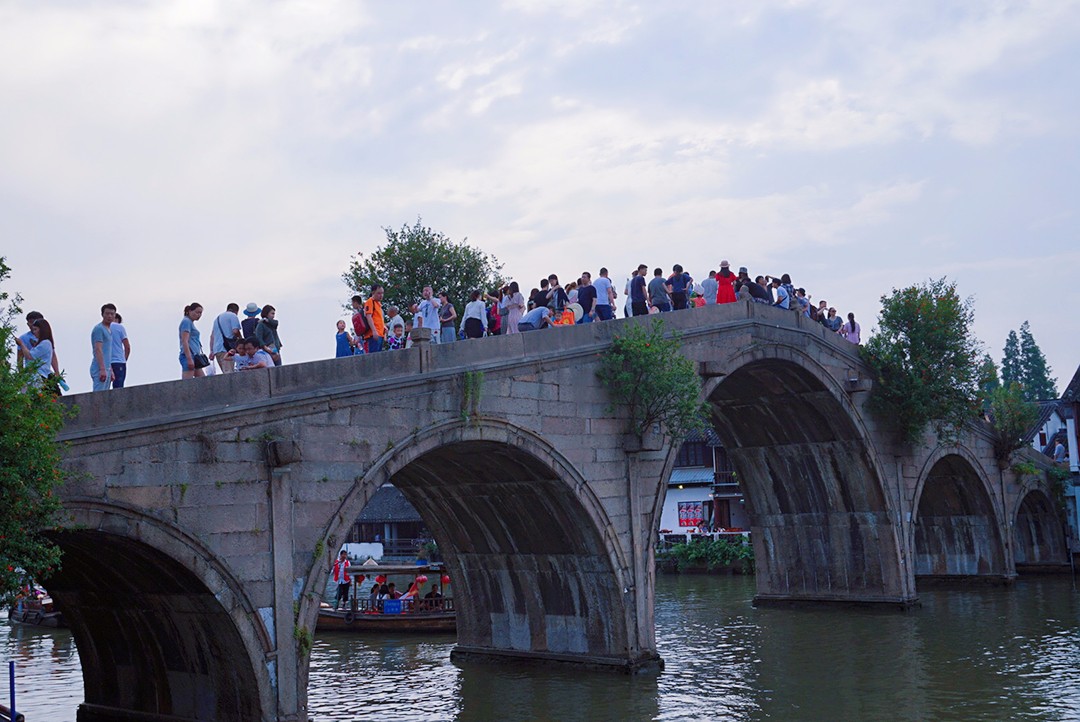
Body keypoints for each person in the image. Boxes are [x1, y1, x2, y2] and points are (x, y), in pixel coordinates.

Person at [14, 318, 55, 388]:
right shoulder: (41, 343)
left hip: (39, 377)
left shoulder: (45, 343)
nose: (34, 332)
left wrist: (22, 344)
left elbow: (30, 356)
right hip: (31, 377)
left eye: (35, 329)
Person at [90, 303, 116, 391]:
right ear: (102, 314)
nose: (109, 316)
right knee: (98, 396)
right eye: (107, 313)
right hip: (99, 367)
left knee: (105, 397)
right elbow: (98, 349)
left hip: (107, 368)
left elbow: (107, 351)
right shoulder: (99, 329)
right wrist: (102, 369)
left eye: (112, 314)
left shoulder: (109, 330)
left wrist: (111, 370)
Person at [211, 303, 243, 374]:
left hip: (217, 350)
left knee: (225, 372)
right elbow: (235, 331)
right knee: (229, 373)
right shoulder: (233, 316)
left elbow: (212, 336)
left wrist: (211, 351)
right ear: (236, 311)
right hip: (227, 349)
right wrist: (241, 339)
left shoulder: (217, 319)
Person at [179, 302, 205, 380]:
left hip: (195, 356)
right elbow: (185, 341)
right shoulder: (186, 322)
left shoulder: (190, 323)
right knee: (187, 383)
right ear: (190, 311)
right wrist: (189, 358)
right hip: (189, 355)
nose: (199, 315)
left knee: (203, 381)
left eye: (200, 313)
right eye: (197, 312)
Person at [109, 312, 131, 388]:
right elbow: (127, 346)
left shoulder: (102, 327)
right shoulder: (119, 327)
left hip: (105, 361)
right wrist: (124, 359)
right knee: (118, 388)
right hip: (118, 361)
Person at [363, 285, 386, 353]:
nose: (381, 295)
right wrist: (374, 331)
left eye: (382, 293)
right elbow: (368, 316)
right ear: (373, 293)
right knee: (374, 355)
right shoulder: (370, 302)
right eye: (378, 293)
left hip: (380, 333)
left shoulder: (378, 304)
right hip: (374, 333)